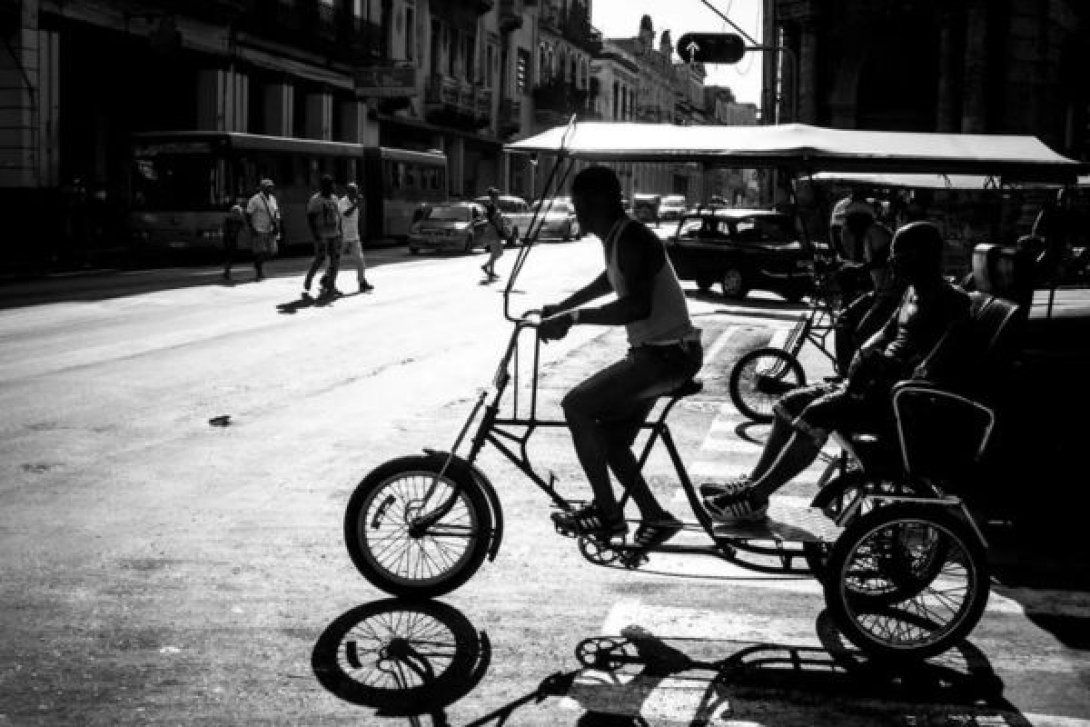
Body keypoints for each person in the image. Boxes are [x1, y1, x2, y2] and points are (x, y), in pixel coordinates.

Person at [703, 221, 970, 523]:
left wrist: (882, 371)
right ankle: (752, 485)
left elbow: (933, 365)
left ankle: (756, 495)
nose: (893, 263)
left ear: (923, 256)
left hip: (901, 402)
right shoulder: (910, 293)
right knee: (789, 403)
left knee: (816, 413)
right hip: (872, 386)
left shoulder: (953, 302)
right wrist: (861, 358)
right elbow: (883, 334)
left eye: (899, 255)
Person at [538, 166, 703, 548]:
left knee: (577, 406)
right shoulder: (617, 238)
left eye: (578, 203)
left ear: (597, 201)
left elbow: (636, 307)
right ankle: (655, 517)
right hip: (660, 355)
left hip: (666, 357)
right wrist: (562, 307)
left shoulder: (633, 238)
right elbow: (609, 279)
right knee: (611, 440)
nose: (576, 211)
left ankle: (609, 514)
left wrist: (573, 318)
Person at [304, 174, 343, 298]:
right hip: (322, 236)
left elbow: (338, 216)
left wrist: (340, 232)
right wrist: (316, 235)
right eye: (331, 185)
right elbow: (310, 218)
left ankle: (331, 286)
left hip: (334, 235)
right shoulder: (315, 200)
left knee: (335, 261)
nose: (333, 187)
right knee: (320, 258)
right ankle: (309, 277)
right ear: (325, 186)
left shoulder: (335, 198)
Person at [339, 182, 373, 293]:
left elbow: (355, 220)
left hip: (354, 237)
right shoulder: (342, 202)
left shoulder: (355, 202)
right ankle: (328, 281)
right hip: (343, 237)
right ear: (347, 192)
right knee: (336, 262)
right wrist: (356, 205)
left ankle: (362, 282)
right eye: (352, 191)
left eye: (356, 191)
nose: (355, 193)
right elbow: (346, 214)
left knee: (360, 261)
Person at [245, 178, 280, 281]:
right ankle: (259, 271)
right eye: (267, 187)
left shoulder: (273, 199)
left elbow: (276, 213)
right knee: (260, 252)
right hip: (258, 229)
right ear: (262, 188)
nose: (270, 189)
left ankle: (257, 264)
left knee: (272, 251)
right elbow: (248, 214)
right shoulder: (255, 199)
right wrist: (252, 228)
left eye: (271, 187)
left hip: (270, 229)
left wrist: (277, 226)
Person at [480, 187, 508, 280]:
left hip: (494, 230)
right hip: (493, 231)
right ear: (493, 197)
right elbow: (493, 219)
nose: (498, 197)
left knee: (494, 252)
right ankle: (485, 266)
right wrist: (500, 229)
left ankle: (491, 271)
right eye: (497, 196)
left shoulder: (494, 206)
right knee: (499, 252)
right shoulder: (491, 206)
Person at [221, 197, 246, 281]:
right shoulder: (228, 220)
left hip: (233, 239)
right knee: (229, 256)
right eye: (236, 213)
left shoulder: (239, 221)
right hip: (228, 239)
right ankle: (226, 272)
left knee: (231, 256)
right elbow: (225, 230)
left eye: (239, 213)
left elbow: (244, 227)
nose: (238, 214)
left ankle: (227, 271)